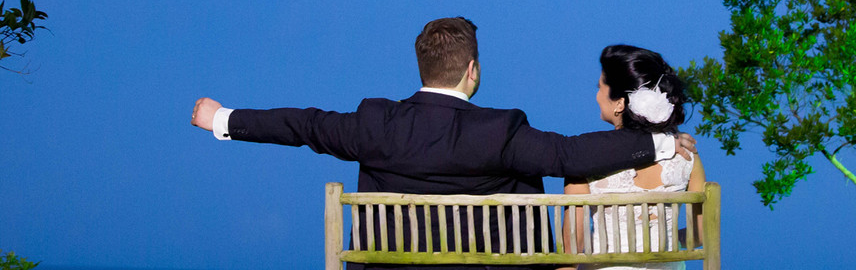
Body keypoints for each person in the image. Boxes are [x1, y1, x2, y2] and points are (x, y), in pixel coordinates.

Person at [191, 18, 696, 270]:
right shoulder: (501, 131)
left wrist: (224, 119)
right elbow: (569, 155)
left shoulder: (375, 124)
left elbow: (305, 125)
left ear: (422, 69)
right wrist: (658, 145)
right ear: (472, 73)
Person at [561, 45, 707, 270]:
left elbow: (572, 250)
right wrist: (664, 245)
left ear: (620, 102)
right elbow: (700, 234)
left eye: (600, 88)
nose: (597, 96)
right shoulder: (687, 156)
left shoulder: (585, 161)